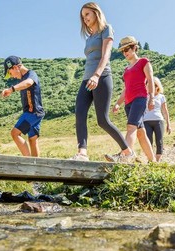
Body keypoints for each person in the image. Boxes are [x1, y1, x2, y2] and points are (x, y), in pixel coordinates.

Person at [71, 2, 133, 162]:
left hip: (102, 77)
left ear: (96, 13)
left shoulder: (106, 29)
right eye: (82, 17)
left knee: (102, 120)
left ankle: (127, 152)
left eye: (87, 14)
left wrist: (97, 75)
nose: (84, 19)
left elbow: (106, 55)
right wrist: (90, 76)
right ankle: (82, 153)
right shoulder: (89, 37)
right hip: (87, 79)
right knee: (80, 112)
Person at [111, 36, 155, 163]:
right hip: (128, 103)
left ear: (135, 47)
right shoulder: (126, 70)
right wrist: (118, 103)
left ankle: (125, 155)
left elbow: (150, 80)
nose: (125, 53)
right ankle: (153, 162)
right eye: (123, 51)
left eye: (127, 49)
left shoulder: (144, 62)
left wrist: (151, 98)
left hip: (140, 99)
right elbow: (126, 89)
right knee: (140, 132)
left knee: (131, 127)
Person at [0, 56, 44, 157]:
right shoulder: (23, 79)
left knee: (15, 133)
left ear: (15, 67)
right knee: (32, 139)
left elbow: (29, 83)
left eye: (10, 73)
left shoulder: (31, 74)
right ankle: (36, 167)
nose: (12, 76)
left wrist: (11, 89)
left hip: (32, 113)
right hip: (36, 113)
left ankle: (27, 162)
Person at [141, 77, 171, 162]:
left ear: (157, 86)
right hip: (146, 121)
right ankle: (150, 160)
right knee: (148, 142)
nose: (150, 86)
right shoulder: (144, 96)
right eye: (148, 84)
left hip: (159, 120)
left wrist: (168, 123)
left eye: (153, 85)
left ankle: (157, 161)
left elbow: (165, 111)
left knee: (159, 141)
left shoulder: (161, 97)